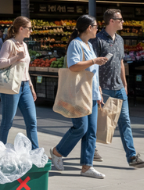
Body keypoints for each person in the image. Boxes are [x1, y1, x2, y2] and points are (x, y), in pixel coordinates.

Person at [91, 9, 144, 169]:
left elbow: (120, 63)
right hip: (103, 87)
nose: (123, 22)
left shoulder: (120, 40)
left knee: (125, 122)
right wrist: (96, 85)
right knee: (97, 122)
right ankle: (90, 148)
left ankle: (132, 156)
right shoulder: (97, 40)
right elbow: (93, 65)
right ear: (111, 21)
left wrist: (124, 84)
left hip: (118, 87)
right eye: (120, 19)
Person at [50, 15, 108, 179]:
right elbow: (73, 66)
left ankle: (87, 166)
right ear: (89, 27)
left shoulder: (89, 45)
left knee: (91, 132)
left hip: (91, 93)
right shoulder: (75, 44)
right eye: (96, 26)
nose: (98, 28)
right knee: (81, 127)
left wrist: (98, 90)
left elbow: (92, 73)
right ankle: (57, 152)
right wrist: (94, 61)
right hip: (79, 94)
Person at [0, 16, 39, 149]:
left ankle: (35, 151)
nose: (31, 31)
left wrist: (31, 87)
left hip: (25, 85)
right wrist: (16, 57)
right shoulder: (9, 43)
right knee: (7, 122)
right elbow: (0, 63)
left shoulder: (25, 45)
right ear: (21, 29)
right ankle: (0, 150)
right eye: (29, 28)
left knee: (32, 121)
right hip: (11, 86)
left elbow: (25, 68)